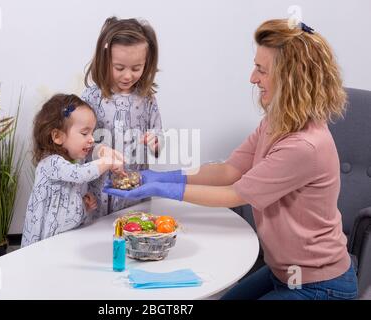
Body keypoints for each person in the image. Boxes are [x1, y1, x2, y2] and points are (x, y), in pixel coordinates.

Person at [103, 19, 358, 300]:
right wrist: (162, 176)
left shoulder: (304, 146)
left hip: (321, 285)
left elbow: (235, 193)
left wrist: (162, 189)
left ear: (290, 78)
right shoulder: (277, 121)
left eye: (261, 70)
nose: (252, 78)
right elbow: (229, 171)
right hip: (281, 272)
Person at [81, 16, 163, 220]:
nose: (128, 76)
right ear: (104, 60)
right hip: (99, 188)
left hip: (133, 189)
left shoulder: (146, 99)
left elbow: (158, 135)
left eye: (136, 68)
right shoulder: (92, 97)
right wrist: (98, 150)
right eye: (119, 68)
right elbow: (78, 143)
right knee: (98, 236)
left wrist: (155, 141)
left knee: (131, 230)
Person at [21, 94, 124, 247]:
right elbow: (80, 174)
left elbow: (62, 211)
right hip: (45, 245)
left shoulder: (73, 161)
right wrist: (106, 162)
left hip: (66, 239)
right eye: (84, 133)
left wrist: (83, 208)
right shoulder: (51, 163)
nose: (91, 139)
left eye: (92, 133)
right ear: (57, 136)